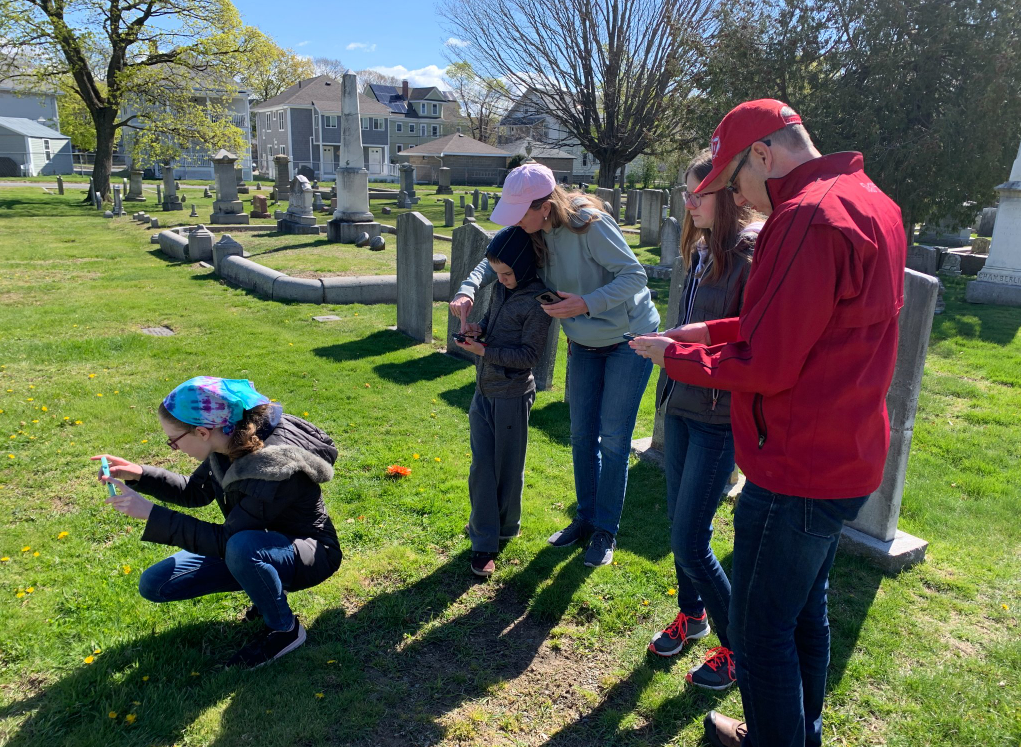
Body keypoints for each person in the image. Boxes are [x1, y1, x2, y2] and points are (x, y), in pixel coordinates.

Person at [630, 100, 907, 746]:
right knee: (803, 615)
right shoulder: (870, 200)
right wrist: (708, 328)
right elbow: (795, 325)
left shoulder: (804, 218)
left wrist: (677, 355)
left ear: (763, 154)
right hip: (845, 454)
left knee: (757, 631)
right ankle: (794, 732)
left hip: (796, 465)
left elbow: (769, 359)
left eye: (734, 182)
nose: (738, 199)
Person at [450, 163, 659, 568]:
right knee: (581, 435)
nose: (514, 222)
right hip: (583, 341)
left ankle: (605, 531)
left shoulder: (589, 224)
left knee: (613, 440)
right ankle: (584, 519)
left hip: (626, 339)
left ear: (545, 207)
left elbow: (635, 275)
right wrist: (466, 289)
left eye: (520, 213)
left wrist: (587, 302)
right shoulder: (531, 230)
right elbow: (490, 258)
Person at [93, 376, 343, 668]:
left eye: (173, 441)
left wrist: (151, 514)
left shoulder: (274, 465)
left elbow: (226, 542)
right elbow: (195, 491)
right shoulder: (230, 437)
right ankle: (265, 581)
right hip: (255, 542)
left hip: (311, 551)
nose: (174, 448)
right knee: (156, 584)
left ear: (201, 432)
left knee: (242, 548)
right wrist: (139, 474)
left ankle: (284, 630)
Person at [645, 149, 761, 694]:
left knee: (691, 540)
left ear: (729, 195)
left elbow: (746, 344)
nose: (689, 204)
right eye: (685, 194)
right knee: (680, 529)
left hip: (719, 416)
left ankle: (740, 647)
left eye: (699, 193)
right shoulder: (699, 251)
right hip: (682, 403)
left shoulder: (750, 255)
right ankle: (692, 616)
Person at [456, 227, 553, 577]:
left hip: (513, 395)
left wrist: (485, 350)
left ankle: (505, 527)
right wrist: (477, 330)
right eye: (497, 274)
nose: (503, 280)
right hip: (483, 392)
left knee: (508, 468)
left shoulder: (540, 301)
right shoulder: (499, 288)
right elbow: (492, 323)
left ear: (525, 265)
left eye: (508, 273)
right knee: (482, 465)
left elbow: (529, 356)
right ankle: (484, 541)